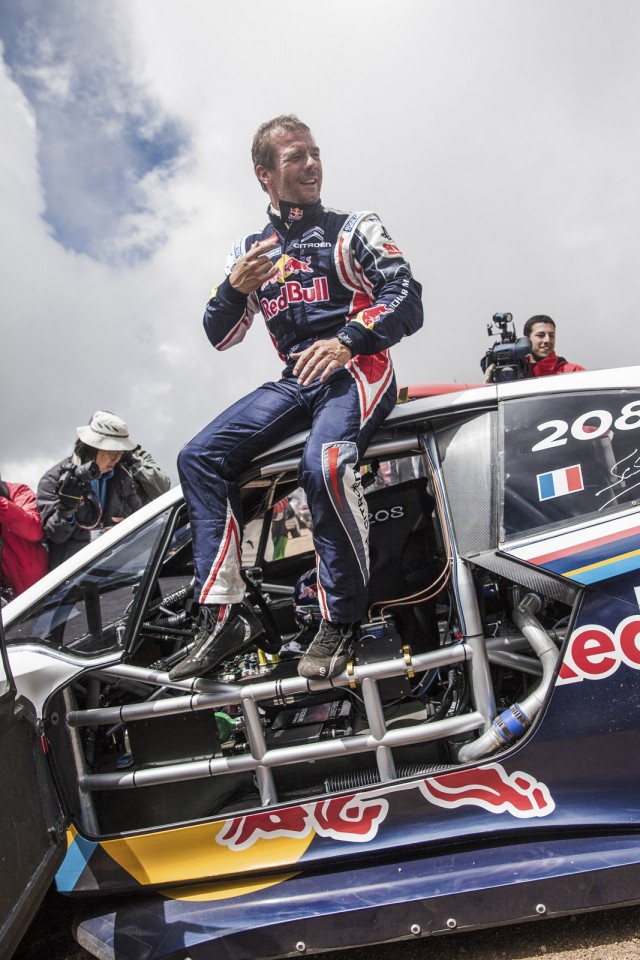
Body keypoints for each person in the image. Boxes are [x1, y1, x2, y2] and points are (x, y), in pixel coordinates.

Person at [171, 114, 424, 683]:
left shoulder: (355, 226)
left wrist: (348, 340)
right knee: (198, 457)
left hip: (358, 364)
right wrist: (235, 288)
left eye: (315, 153)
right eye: (296, 158)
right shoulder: (248, 250)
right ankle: (223, 616)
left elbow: (407, 297)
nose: (312, 165)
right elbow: (220, 334)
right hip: (297, 378)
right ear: (265, 175)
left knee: (324, 461)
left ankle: (341, 619)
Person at [37, 411, 143, 568]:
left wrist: (127, 527)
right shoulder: (54, 479)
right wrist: (66, 510)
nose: (116, 459)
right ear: (92, 447)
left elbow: (140, 517)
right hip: (73, 575)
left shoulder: (123, 477)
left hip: (117, 570)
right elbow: (56, 536)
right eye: (111, 452)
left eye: (120, 453)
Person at [0, 472, 49, 601]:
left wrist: (2, 505)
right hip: (11, 607)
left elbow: (34, 529)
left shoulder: (18, 491)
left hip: (44, 594)